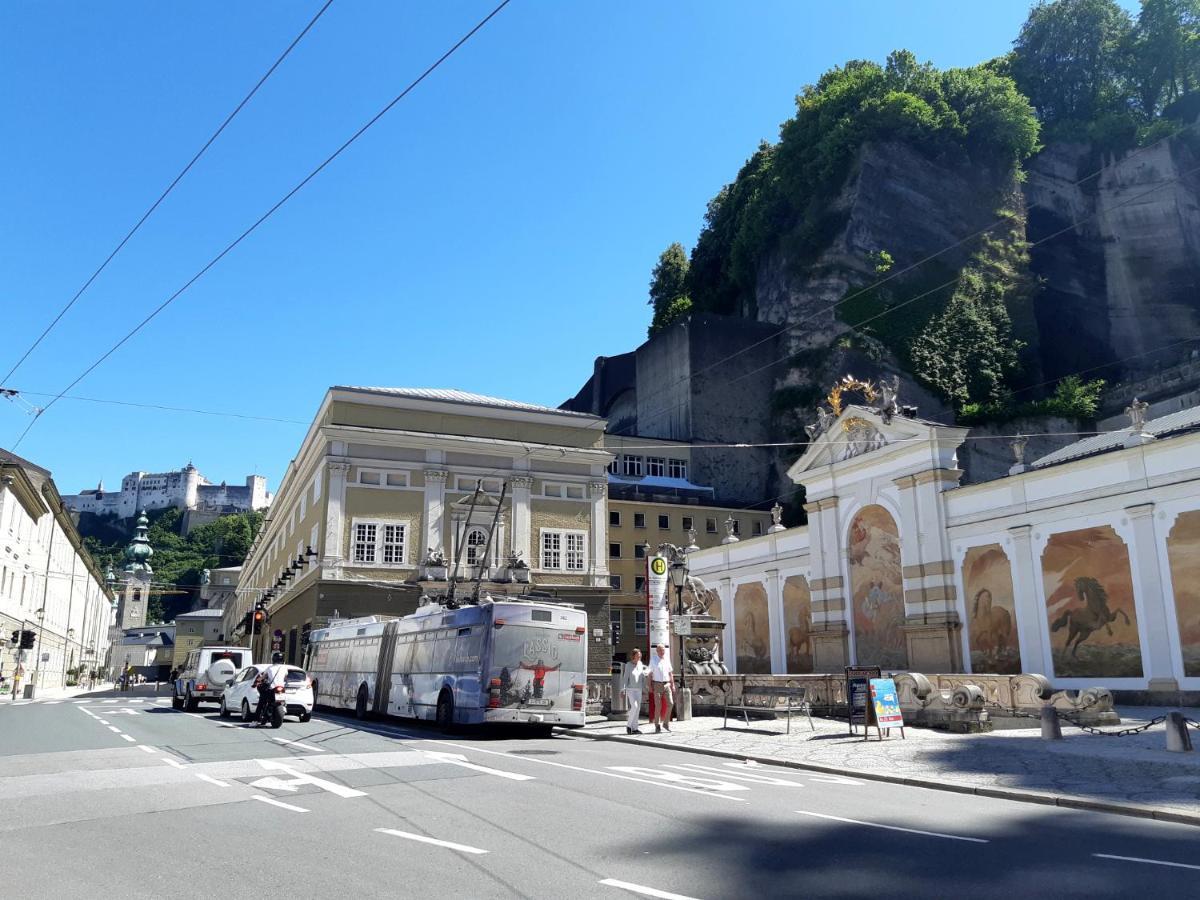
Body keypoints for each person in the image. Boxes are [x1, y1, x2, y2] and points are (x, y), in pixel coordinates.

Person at [254, 653, 287, 726]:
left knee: (261, 702)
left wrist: (257, 681)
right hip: (282, 688)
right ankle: (284, 706)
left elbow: (262, 677)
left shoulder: (270, 668)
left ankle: (255, 720)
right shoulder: (284, 668)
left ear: (273, 659)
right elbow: (285, 677)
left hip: (272, 688)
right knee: (283, 699)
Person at [620, 648, 648, 735]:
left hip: (638, 689)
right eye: (638, 656)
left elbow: (643, 678)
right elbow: (625, 678)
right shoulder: (628, 665)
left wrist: (644, 689)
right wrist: (622, 689)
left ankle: (635, 728)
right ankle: (629, 726)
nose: (639, 657)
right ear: (633, 656)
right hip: (630, 689)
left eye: (640, 656)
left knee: (637, 709)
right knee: (635, 707)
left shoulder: (641, 665)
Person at [649, 644, 674, 733]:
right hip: (657, 684)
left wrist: (672, 684)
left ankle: (666, 723)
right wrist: (650, 686)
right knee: (658, 706)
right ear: (657, 651)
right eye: (660, 650)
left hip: (667, 684)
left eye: (663, 650)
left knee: (670, 703)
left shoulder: (667, 659)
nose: (662, 652)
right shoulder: (653, 660)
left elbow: (670, 673)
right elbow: (650, 674)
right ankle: (657, 725)